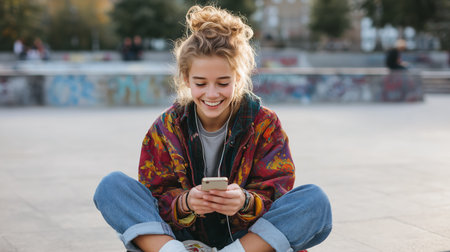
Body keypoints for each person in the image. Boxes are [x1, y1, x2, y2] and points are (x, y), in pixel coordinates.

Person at [94, 5, 332, 252]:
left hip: (246, 239)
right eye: (200, 83)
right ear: (186, 79)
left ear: (238, 78)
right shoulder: (166, 127)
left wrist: (245, 202)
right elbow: (153, 198)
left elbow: (278, 195)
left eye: (222, 83)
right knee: (112, 186)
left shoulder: (264, 124)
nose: (211, 94)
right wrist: (185, 203)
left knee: (315, 200)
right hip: (181, 238)